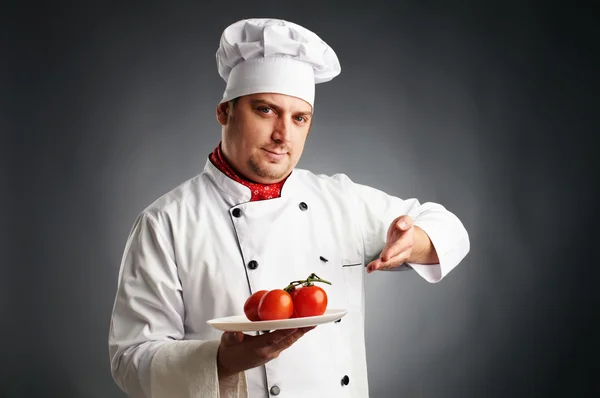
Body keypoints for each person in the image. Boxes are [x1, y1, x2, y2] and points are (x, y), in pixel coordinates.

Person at [108, 18, 470, 398]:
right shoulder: (166, 222)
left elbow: (447, 226)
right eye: (265, 110)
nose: (283, 135)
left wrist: (412, 241)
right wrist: (221, 361)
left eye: (299, 118)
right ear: (224, 112)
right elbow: (131, 359)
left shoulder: (339, 200)